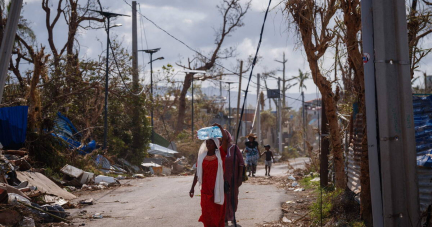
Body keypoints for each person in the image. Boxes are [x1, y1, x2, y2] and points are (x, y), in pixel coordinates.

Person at [190, 123, 228, 227]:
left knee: (217, 213)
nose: (208, 145)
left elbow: (225, 140)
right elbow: (197, 172)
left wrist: (220, 127)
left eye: (210, 143)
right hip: (206, 190)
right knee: (207, 213)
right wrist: (192, 187)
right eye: (207, 143)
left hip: (218, 189)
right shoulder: (202, 157)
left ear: (215, 144)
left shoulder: (220, 154)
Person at [222, 129, 244, 225]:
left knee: (233, 197)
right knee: (224, 198)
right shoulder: (218, 149)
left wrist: (239, 177)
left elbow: (241, 163)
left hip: (234, 178)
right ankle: (225, 217)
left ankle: (233, 216)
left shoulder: (234, 148)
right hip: (222, 179)